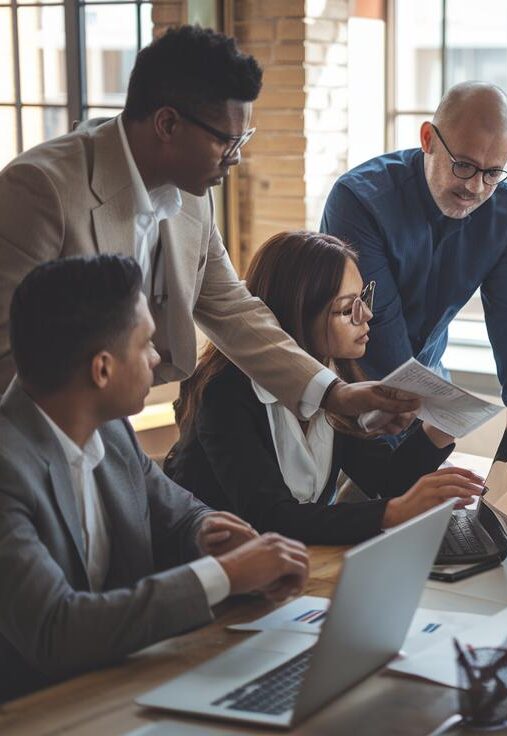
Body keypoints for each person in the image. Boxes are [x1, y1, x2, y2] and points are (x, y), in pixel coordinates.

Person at [0, 26, 417, 439]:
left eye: (243, 140)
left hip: (109, 427)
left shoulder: (193, 192)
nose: (236, 160)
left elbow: (229, 306)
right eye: (227, 142)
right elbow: (8, 352)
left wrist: (335, 392)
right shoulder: (40, 190)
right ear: (167, 124)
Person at [0, 256, 311, 702]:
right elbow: (55, 629)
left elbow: (181, 515)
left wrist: (209, 533)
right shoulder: (8, 465)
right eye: (145, 342)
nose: (158, 356)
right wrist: (221, 574)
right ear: (102, 369)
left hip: (133, 682)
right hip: (40, 712)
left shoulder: (109, 428)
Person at [165, 232, 483, 545]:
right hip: (220, 571)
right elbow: (271, 518)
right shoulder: (225, 392)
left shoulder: (336, 377)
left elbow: (386, 479)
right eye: (347, 309)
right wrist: (395, 512)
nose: (367, 316)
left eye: (364, 298)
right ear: (296, 314)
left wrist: (442, 423)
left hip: (292, 564)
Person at [320, 81, 507, 430]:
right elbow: (380, 325)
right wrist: (422, 442)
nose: (475, 187)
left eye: (493, 172)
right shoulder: (359, 200)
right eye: (464, 166)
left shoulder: (506, 214)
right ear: (428, 139)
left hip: (425, 383)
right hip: (350, 391)